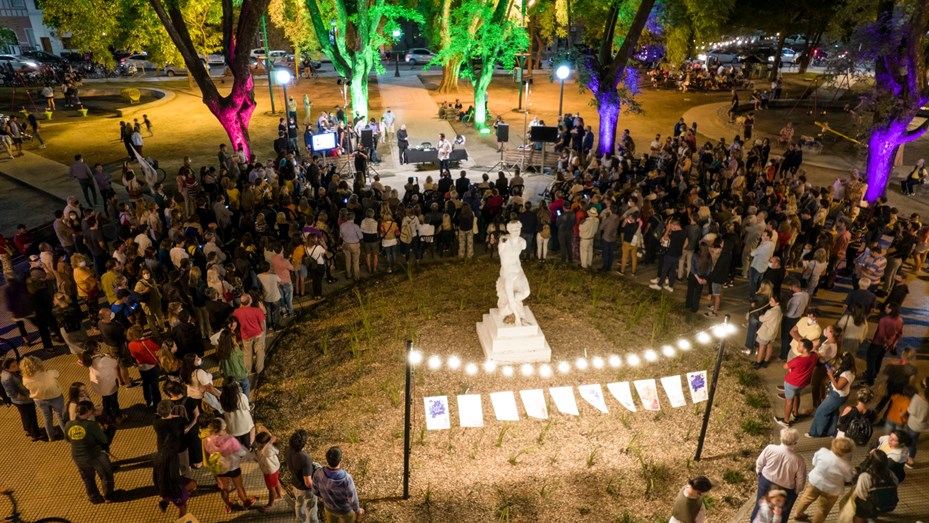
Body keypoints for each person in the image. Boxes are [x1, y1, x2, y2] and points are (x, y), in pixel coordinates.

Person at [791, 437, 855, 523]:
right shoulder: (846, 467)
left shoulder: (823, 452)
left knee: (806, 498)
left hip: (815, 482)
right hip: (832, 490)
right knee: (823, 509)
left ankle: (797, 514)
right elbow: (848, 479)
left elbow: (814, 462)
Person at [65, 400, 116, 504]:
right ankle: (108, 496)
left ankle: (94, 498)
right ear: (88, 411)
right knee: (106, 474)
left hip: (78, 456)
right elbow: (104, 440)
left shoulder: (68, 424)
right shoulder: (91, 425)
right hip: (95, 454)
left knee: (87, 478)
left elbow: (67, 439)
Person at [751, 428, 805, 523]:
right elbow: (800, 480)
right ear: (795, 442)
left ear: (781, 438)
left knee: (760, 506)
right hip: (786, 488)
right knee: (782, 512)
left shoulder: (770, 448)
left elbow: (759, 462)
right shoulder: (799, 460)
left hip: (766, 481)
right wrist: (797, 491)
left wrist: (759, 472)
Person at [203, 418, 256, 512]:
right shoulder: (230, 439)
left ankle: (228, 505)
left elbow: (208, 452)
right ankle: (245, 502)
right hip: (233, 467)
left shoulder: (208, 440)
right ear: (223, 427)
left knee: (224, 488)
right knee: (239, 486)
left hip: (220, 467)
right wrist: (251, 456)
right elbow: (241, 452)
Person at [838, 450, 898, 522]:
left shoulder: (865, 476)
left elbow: (861, 495)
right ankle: (873, 515)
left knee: (856, 504)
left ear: (870, 461)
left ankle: (863, 518)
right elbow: (895, 484)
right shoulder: (891, 474)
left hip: (872, 505)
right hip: (889, 504)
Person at [808, 352, 857, 437]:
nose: (838, 362)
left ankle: (815, 433)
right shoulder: (848, 369)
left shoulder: (847, 374)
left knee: (821, 411)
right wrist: (833, 371)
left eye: (840, 360)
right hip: (838, 394)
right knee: (834, 412)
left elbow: (838, 386)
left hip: (837, 396)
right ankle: (831, 431)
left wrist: (830, 375)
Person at [19, 355, 66, 441]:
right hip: (55, 396)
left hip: (39, 399)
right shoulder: (47, 373)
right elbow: (57, 373)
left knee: (47, 417)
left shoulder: (25, 379)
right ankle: (67, 435)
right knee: (60, 416)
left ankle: (51, 436)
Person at [313, 446, 364, 522]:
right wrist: (358, 510)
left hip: (329, 509)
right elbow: (353, 499)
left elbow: (315, 491)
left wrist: (326, 497)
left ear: (327, 459)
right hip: (345, 511)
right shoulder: (346, 478)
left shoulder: (318, 473)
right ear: (340, 460)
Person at [1, 358, 45, 441]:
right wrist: (25, 397)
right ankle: (35, 434)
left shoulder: (10, 373)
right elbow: (11, 393)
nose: (17, 366)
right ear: (7, 368)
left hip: (22, 400)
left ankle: (28, 429)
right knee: (30, 417)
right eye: (14, 366)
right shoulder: (8, 378)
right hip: (22, 401)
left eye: (16, 363)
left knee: (25, 416)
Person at [776, 339, 817, 426]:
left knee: (789, 401)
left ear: (805, 349)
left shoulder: (798, 360)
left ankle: (786, 421)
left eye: (799, 346)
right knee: (797, 395)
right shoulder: (814, 356)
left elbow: (785, 366)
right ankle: (795, 414)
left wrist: (791, 369)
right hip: (803, 382)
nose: (797, 347)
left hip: (792, 383)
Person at [864, 303, 903, 385]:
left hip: (878, 343)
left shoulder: (883, 320)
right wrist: (892, 343)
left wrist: (886, 342)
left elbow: (881, 334)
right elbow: (899, 334)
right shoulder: (900, 320)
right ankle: (875, 374)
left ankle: (870, 379)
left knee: (871, 360)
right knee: (879, 358)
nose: (885, 307)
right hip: (887, 345)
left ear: (891, 309)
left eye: (887, 307)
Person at [286, 429, 320, 523]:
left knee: (299, 505)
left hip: (295, 485)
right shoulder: (305, 458)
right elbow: (308, 482)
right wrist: (317, 488)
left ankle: (300, 521)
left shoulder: (288, 450)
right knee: (311, 509)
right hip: (306, 490)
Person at [126, 325, 162, 409]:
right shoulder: (146, 342)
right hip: (152, 366)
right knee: (155, 387)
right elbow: (157, 347)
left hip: (141, 367)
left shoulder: (130, 344)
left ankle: (148, 401)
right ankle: (157, 406)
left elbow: (133, 355)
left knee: (146, 384)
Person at [232, 294, 267, 375]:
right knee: (259, 351)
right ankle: (259, 369)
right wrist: (262, 331)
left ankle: (248, 370)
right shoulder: (256, 310)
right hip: (258, 334)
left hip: (246, 336)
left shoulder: (236, 312)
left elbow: (234, 320)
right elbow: (262, 323)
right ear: (250, 301)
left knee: (247, 353)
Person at [254, 427, 285, 513]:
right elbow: (270, 438)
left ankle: (271, 504)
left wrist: (270, 441)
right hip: (274, 469)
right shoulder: (269, 446)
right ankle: (279, 495)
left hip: (270, 471)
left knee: (271, 488)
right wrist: (268, 436)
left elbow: (264, 450)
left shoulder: (267, 449)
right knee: (276, 481)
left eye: (257, 443)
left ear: (262, 443)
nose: (256, 444)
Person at [904, 376, 929, 468]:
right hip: (922, 426)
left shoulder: (916, 398)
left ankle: (910, 460)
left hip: (913, 425)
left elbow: (911, 411)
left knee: (911, 443)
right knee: (915, 437)